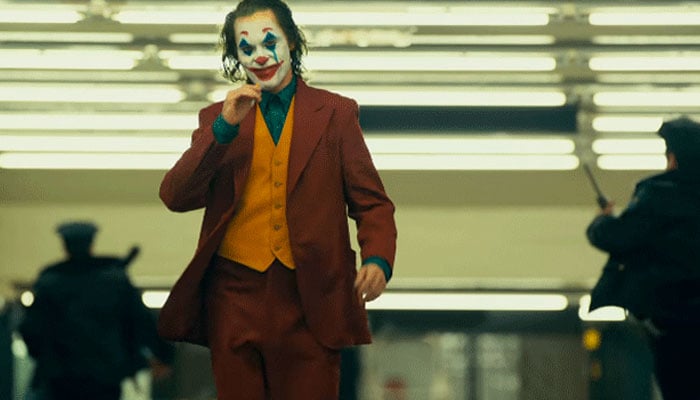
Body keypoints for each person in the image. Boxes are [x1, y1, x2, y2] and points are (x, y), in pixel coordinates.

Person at [157, 0, 397, 398]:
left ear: (293, 43)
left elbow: (371, 202)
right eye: (246, 48)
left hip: (311, 296)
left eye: (270, 42)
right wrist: (223, 129)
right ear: (236, 57)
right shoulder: (218, 118)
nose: (260, 55)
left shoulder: (335, 113)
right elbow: (175, 195)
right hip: (233, 295)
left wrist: (378, 258)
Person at [586, 117, 700, 399]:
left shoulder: (660, 193)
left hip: (671, 321)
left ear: (673, 158)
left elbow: (615, 237)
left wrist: (603, 220)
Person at [18, 221, 174, 400]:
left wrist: (48, 360)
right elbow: (141, 321)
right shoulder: (114, 281)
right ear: (91, 245)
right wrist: (164, 355)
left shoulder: (50, 283)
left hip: (61, 380)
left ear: (65, 247)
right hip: (106, 378)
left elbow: (31, 330)